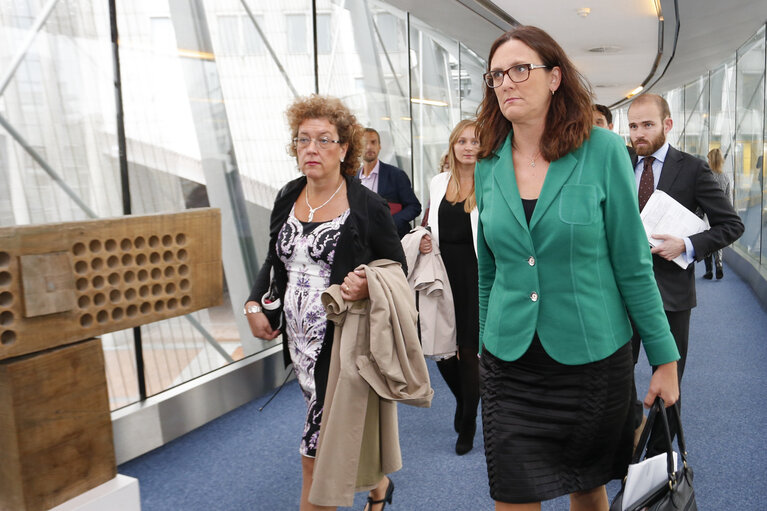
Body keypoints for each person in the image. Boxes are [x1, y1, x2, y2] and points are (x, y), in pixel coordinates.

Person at [474, 26, 681, 510]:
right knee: (512, 494)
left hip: (590, 360)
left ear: (554, 78)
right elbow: (490, 270)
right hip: (510, 363)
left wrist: (664, 360)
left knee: (587, 490)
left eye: (521, 69)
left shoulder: (604, 152)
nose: (507, 82)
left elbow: (633, 267)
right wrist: (485, 344)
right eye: (497, 74)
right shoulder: (487, 162)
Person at [245, 95, 406, 511]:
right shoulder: (288, 195)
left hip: (341, 347)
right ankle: (378, 486)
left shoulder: (366, 206)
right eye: (302, 140)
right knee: (333, 435)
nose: (311, 149)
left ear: (344, 148)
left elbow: (395, 268)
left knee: (314, 456)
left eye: (323, 140)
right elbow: (274, 259)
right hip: (299, 345)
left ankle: (356, 489)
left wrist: (367, 283)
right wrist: (253, 303)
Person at [627, 93, 744, 455]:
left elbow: (730, 225)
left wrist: (687, 245)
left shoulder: (692, 168)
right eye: (633, 126)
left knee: (669, 382)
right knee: (614, 377)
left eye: (647, 124)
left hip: (670, 293)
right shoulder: (619, 162)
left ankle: (657, 462)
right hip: (618, 292)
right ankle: (624, 445)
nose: (639, 134)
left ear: (667, 124)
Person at [418, 119, 480, 455]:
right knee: (442, 350)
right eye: (463, 142)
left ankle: (468, 422)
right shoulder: (438, 182)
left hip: (479, 274)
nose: (469, 147)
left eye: (475, 142)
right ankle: (465, 400)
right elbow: (430, 223)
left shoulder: (491, 182)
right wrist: (424, 237)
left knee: (469, 352)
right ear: (453, 146)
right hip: (443, 273)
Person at [358, 128, 422, 238]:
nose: (369, 147)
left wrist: (391, 222)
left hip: (393, 240)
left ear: (379, 146)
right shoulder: (352, 179)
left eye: (373, 142)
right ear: (358, 147)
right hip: (363, 243)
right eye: (364, 143)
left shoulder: (396, 175)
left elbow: (414, 206)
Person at [703, 147, 731, 279]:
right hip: (720, 215)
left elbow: (700, 196)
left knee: (706, 241)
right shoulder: (725, 177)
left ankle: (709, 271)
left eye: (708, 158)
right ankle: (719, 264)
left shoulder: (706, 175)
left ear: (712, 160)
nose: (707, 161)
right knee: (717, 241)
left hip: (706, 214)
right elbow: (728, 199)